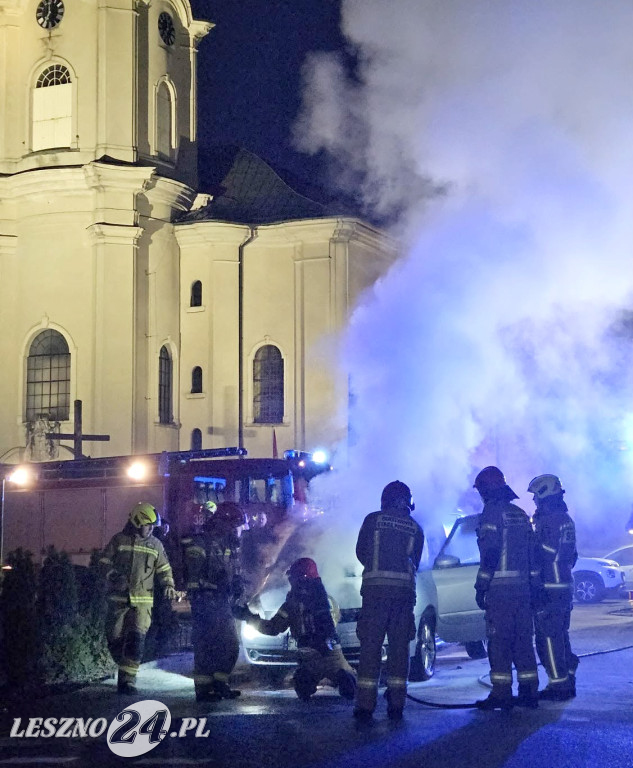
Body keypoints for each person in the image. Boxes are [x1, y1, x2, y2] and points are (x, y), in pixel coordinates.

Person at [235, 557, 357, 701]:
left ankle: (307, 682)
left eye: (292, 577)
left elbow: (273, 628)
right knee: (347, 677)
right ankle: (344, 678)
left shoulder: (292, 604)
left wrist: (248, 617)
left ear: (299, 578)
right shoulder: (328, 600)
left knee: (302, 682)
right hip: (334, 652)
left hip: (309, 654)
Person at [353, 480, 424, 723]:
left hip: (374, 595)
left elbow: (361, 552)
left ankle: (365, 706)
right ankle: (396, 704)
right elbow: (416, 562)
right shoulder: (415, 528)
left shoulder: (372, 520)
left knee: (370, 649)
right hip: (403, 597)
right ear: (407, 501)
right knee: (399, 650)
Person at [473, 466, 540, 710]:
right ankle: (529, 693)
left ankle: (501, 694)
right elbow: (533, 555)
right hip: (523, 591)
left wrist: (481, 586)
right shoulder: (520, 514)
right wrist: (534, 587)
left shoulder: (492, 513)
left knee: (499, 643)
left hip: (500, 592)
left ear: (486, 490)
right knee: (523, 641)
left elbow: (490, 553)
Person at [99, 502, 177, 694]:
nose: (150, 529)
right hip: (118, 601)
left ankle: (127, 682)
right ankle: (123, 669)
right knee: (115, 638)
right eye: (148, 525)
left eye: (152, 526)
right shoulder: (119, 540)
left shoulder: (156, 545)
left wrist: (168, 585)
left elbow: (164, 569)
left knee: (136, 639)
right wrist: (113, 576)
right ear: (137, 521)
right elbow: (103, 564)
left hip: (143, 603)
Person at [182, 500, 246, 702]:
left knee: (229, 645)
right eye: (235, 526)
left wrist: (237, 583)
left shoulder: (229, 546)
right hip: (205, 603)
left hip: (223, 603)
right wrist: (212, 585)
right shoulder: (201, 543)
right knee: (206, 646)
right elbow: (192, 578)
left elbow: (233, 571)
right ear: (223, 523)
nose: (238, 531)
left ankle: (220, 684)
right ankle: (203, 690)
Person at [528, 473, 579, 701]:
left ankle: (558, 686)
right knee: (560, 636)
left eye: (535, 496)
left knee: (548, 638)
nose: (534, 501)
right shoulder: (565, 519)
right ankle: (568, 678)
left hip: (550, 586)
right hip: (564, 586)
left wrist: (530, 543)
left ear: (544, 493)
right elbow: (572, 555)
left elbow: (545, 552)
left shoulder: (549, 520)